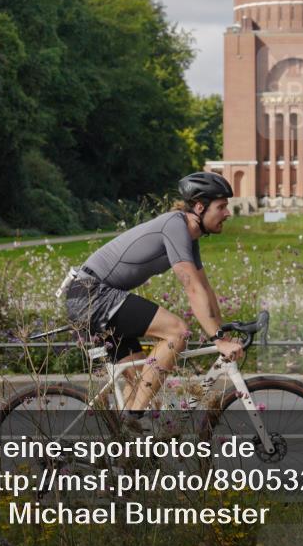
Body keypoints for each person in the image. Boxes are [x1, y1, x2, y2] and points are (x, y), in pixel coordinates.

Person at [65, 172, 243, 419]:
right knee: (177, 331)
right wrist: (218, 340)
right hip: (91, 294)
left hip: (97, 296)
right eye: (221, 206)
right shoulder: (175, 226)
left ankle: (129, 448)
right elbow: (191, 287)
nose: (227, 213)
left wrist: (222, 332)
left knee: (143, 390)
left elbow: (204, 288)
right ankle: (133, 416)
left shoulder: (190, 237)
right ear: (200, 207)